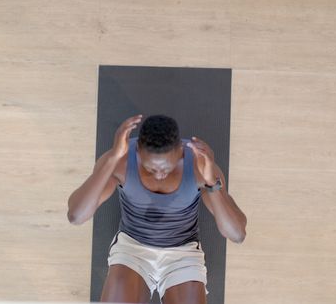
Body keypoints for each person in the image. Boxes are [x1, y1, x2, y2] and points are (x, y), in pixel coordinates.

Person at [67, 114, 247, 304]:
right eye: (151, 169)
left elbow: (237, 234)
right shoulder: (121, 160)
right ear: (138, 152)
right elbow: (76, 216)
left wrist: (212, 183)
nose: (160, 175)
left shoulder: (198, 163)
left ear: (180, 151)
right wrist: (112, 158)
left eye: (166, 169)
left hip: (182, 253)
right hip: (132, 249)